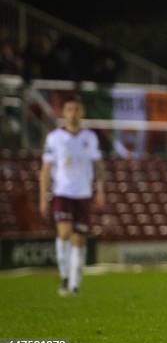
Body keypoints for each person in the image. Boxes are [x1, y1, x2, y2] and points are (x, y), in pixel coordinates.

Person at [39, 97, 106, 296]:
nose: (73, 113)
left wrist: (100, 189)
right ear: (64, 113)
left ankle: (75, 283)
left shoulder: (90, 137)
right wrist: (43, 196)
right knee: (64, 233)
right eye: (69, 109)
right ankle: (64, 277)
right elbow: (45, 169)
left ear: (82, 112)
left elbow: (98, 166)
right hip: (62, 192)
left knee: (79, 240)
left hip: (83, 193)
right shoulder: (54, 138)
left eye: (76, 109)